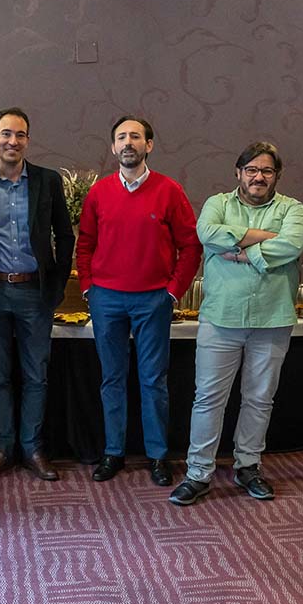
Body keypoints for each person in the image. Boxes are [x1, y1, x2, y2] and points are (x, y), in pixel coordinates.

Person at [169, 142, 303, 506]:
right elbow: (207, 233)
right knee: (208, 399)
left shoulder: (291, 208)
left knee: (259, 399)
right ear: (238, 173)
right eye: (251, 170)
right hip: (221, 317)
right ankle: (198, 473)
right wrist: (266, 241)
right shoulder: (217, 204)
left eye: (266, 171)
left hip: (272, 317)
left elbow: (293, 245)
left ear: (277, 175)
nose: (258, 177)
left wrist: (243, 252)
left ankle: (248, 467)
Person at [75, 116, 202, 486]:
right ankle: (113, 452)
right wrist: (88, 287)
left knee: (153, 380)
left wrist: (174, 291)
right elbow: (85, 243)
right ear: (113, 147)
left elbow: (190, 245)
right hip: (107, 299)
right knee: (111, 379)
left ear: (149, 145)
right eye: (121, 137)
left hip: (153, 300)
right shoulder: (99, 193)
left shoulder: (169, 191)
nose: (128, 142)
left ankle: (158, 455)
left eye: (135, 136)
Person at [0, 107, 74, 482]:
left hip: (34, 293)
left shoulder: (47, 181)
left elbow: (65, 235)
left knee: (35, 376)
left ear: (28, 140)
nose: (13, 141)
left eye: (20, 135)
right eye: (6, 134)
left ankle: (32, 449)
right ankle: (2, 449)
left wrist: (56, 287)